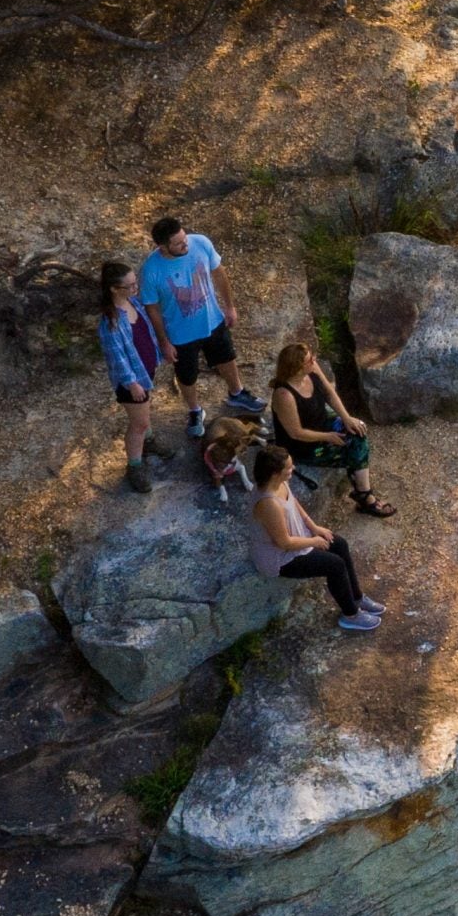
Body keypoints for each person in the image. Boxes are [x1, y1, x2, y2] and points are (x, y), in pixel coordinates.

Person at [139, 215, 256, 443]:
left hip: (213, 320)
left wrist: (229, 307)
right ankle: (194, 411)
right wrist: (164, 342)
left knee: (226, 357)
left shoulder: (200, 242)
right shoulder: (151, 271)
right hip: (181, 335)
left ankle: (237, 392)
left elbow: (219, 273)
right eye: (179, 243)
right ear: (162, 246)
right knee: (187, 375)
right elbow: (152, 309)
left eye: (184, 238)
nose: (186, 244)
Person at [246, 443, 382, 630]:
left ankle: (356, 597)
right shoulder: (268, 504)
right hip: (281, 557)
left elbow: (294, 503)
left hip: (296, 539)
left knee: (339, 544)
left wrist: (314, 527)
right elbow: (284, 543)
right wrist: (314, 541)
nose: (292, 469)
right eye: (288, 468)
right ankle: (350, 614)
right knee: (335, 565)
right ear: (275, 473)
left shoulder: (279, 482)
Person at [269, 339, 394, 519]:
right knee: (353, 448)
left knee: (358, 431)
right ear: (297, 368)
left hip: (322, 422)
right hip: (305, 444)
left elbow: (329, 392)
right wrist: (328, 437)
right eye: (309, 360)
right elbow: (296, 432)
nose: (314, 361)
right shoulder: (284, 395)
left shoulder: (311, 369)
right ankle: (366, 497)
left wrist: (346, 417)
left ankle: (362, 491)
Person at [97, 260, 171, 494]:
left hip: (144, 371)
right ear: (114, 289)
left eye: (134, 283)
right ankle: (134, 465)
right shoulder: (111, 322)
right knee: (139, 423)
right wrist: (132, 383)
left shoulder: (134, 304)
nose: (135, 288)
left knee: (145, 416)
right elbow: (117, 357)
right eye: (129, 286)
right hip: (132, 383)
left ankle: (148, 442)